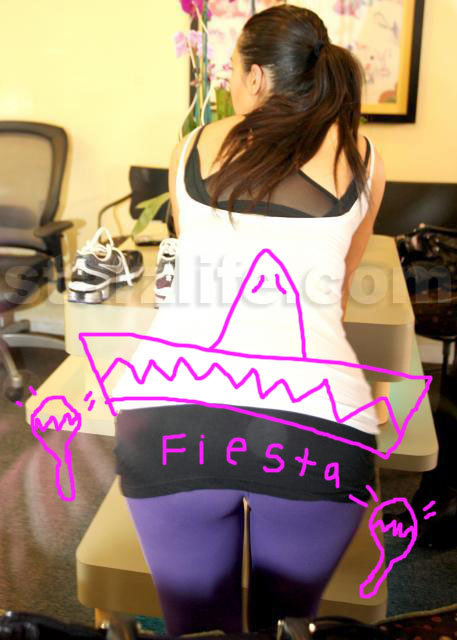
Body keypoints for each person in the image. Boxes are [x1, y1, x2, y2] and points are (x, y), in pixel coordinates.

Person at [112, 4, 386, 635]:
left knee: (196, 628)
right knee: (286, 627)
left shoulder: (191, 147)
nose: (230, 84)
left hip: (167, 422)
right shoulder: (362, 155)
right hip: (316, 432)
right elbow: (337, 297)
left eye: (232, 71)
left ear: (257, 77)